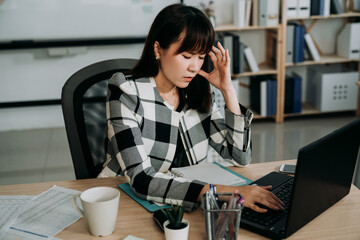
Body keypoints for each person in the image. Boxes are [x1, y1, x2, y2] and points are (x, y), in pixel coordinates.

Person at [98, 3, 284, 213]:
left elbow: (240, 157)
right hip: (121, 202)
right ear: (158, 49)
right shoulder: (126, 92)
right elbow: (141, 180)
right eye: (186, 56)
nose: (195, 67)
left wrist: (228, 91)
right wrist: (223, 192)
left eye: (201, 57)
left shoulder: (195, 92)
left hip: (182, 204)